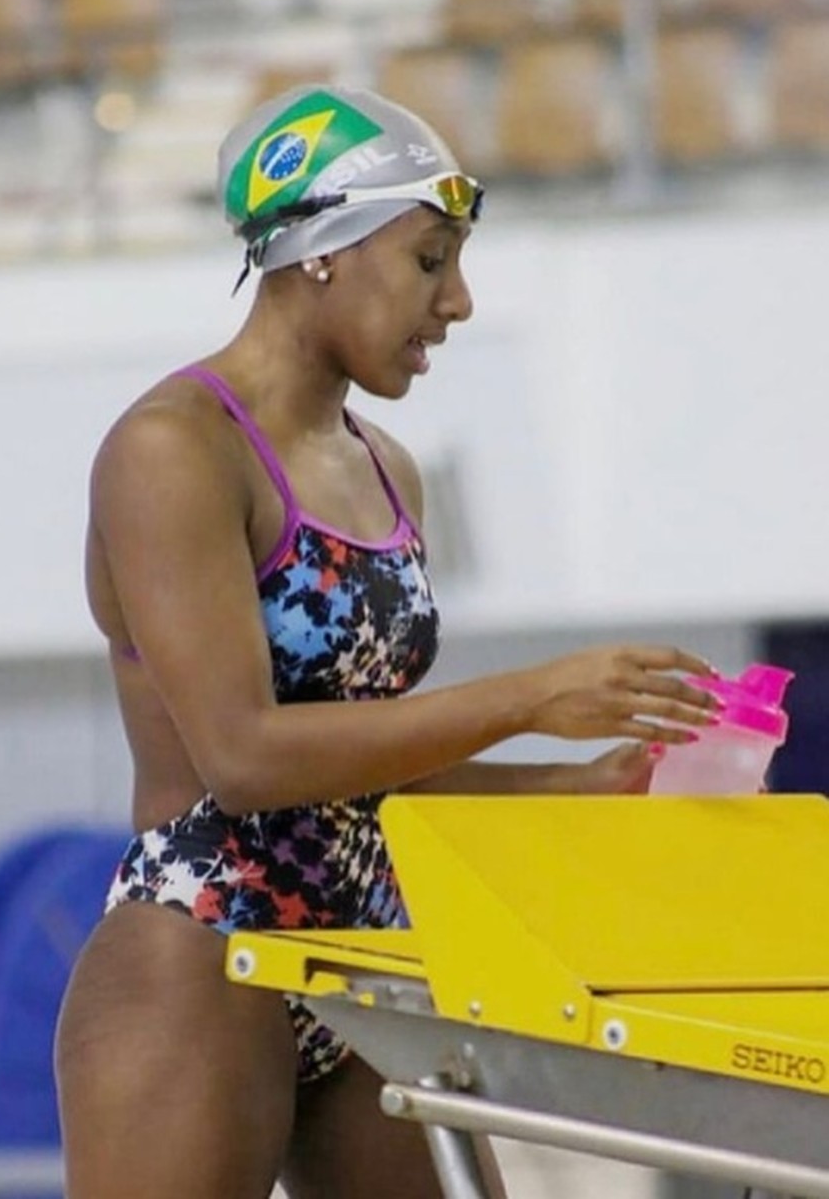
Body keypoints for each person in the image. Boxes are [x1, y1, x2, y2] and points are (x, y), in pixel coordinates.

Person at [54, 85, 720, 1199]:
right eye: (430, 259)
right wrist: (529, 694)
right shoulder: (173, 450)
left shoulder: (385, 468)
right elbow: (246, 755)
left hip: (366, 952)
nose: (457, 300)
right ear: (324, 250)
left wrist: (569, 787)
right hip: (206, 945)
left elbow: (370, 758)